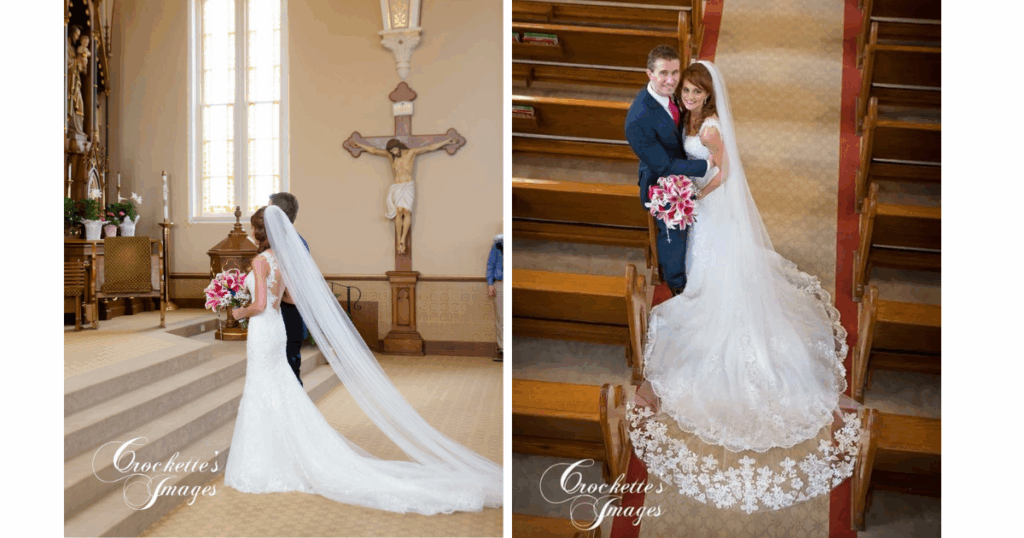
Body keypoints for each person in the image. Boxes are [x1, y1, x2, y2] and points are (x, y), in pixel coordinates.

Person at [627, 61, 861, 514]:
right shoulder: (685, 114)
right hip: (699, 205)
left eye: (696, 91)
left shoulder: (710, 128)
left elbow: (725, 175)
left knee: (718, 271)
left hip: (712, 206)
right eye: (686, 91)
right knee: (703, 266)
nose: (689, 97)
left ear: (708, 95)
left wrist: (696, 197)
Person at [225, 206, 502, 514]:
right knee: (278, 386)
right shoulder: (282, 259)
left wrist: (240, 310)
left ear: (256, 232)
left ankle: (268, 457)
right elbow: (288, 298)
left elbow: (261, 304)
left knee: (263, 386)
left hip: (264, 329)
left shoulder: (259, 261)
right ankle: (285, 449)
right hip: (276, 328)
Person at [625, 45, 712, 296]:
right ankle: (677, 285)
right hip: (661, 184)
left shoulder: (672, 93)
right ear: (649, 74)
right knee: (674, 233)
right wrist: (706, 165)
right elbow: (663, 166)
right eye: (663, 73)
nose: (671, 80)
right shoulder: (638, 118)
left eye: (675, 73)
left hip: (683, 166)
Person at [268, 192, 307, 386]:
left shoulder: (287, 244)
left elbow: (291, 295)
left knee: (289, 373)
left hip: (288, 316)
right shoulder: (296, 239)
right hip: (290, 317)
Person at [486, 234, 503, 362]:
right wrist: (490, 283)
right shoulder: (498, 244)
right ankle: (503, 349)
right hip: (501, 283)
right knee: (501, 318)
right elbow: (490, 265)